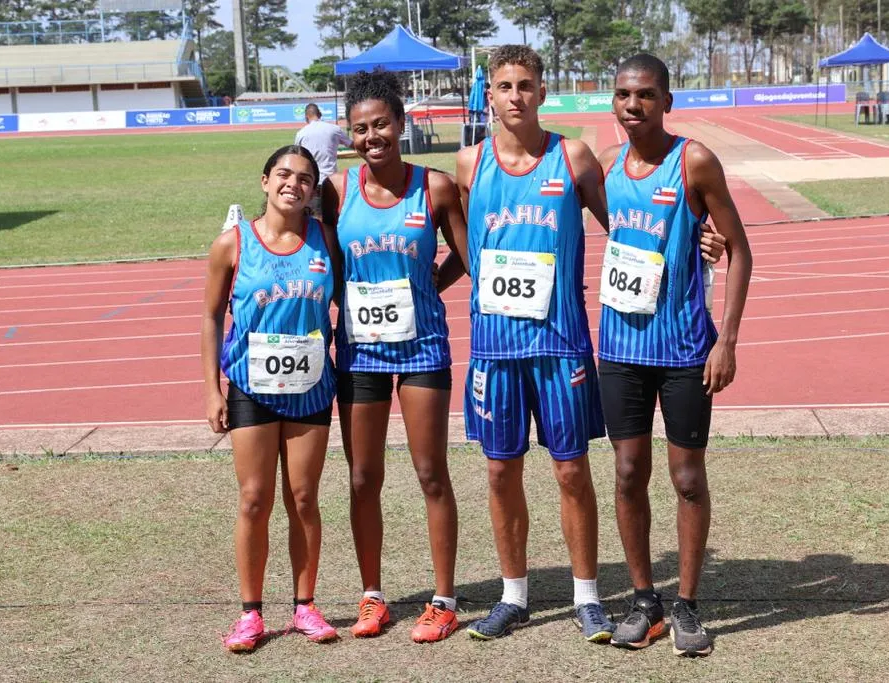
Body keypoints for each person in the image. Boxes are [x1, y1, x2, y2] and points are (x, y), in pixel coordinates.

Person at [451, 45, 615, 643]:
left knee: (571, 470)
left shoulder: (572, 157)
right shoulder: (470, 164)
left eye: (525, 84)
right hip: (494, 348)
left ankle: (587, 597)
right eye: (504, 86)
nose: (515, 95)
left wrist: (693, 249)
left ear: (543, 92)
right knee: (499, 471)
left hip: (560, 342)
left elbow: (619, 229)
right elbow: (461, 247)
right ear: (488, 96)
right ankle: (513, 596)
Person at [596, 54, 752, 657]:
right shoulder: (607, 169)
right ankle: (644, 600)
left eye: (645, 95)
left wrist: (727, 339)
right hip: (620, 350)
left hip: (686, 348)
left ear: (666, 101)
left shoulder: (694, 161)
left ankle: (686, 605)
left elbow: (739, 250)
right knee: (629, 473)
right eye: (622, 95)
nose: (632, 105)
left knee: (687, 479)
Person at [320, 69, 470, 643]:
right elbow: (327, 261)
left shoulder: (433, 188)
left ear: (401, 124)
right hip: (358, 354)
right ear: (350, 135)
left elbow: (466, 253)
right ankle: (372, 597)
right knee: (362, 477)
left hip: (422, 348)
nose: (371, 136)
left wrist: (432, 284)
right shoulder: (337, 191)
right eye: (360, 129)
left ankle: (443, 599)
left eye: (381, 124)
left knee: (431, 472)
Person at [201, 145, 342, 652]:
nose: (294, 184)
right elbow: (211, 316)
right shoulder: (232, 244)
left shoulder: (327, 240)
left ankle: (305, 606)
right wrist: (212, 389)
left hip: (310, 390)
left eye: (305, 178)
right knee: (254, 499)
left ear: (313, 191)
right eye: (284, 174)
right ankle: (250, 613)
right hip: (251, 389)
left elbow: (346, 303)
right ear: (264, 182)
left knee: (303, 498)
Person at [295, 103, 353, 216]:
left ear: (306, 117)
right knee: (333, 218)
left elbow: (297, 158)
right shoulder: (334, 129)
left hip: (312, 182)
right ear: (320, 114)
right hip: (331, 182)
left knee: (313, 219)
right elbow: (353, 144)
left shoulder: (301, 134)